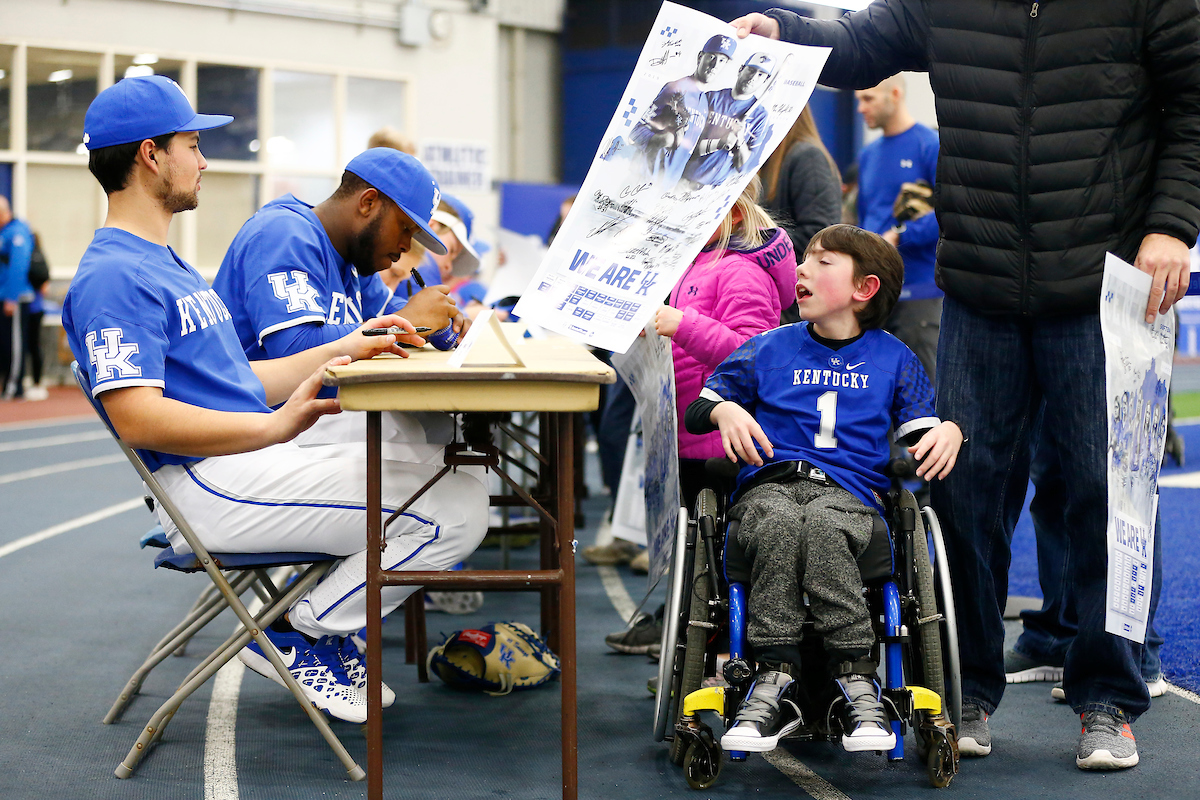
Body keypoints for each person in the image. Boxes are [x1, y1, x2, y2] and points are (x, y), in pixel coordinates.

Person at [731, 1, 1200, 769]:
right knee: (965, 494)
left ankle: (1107, 698)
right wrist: (784, 30)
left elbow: (1192, 103)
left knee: (1105, 495)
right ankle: (965, 690)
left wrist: (1173, 223)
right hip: (981, 289)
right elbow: (860, 41)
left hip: (1105, 286)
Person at [65, 75, 489, 724]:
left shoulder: (163, 261)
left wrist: (355, 344)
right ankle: (305, 632)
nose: (204, 160)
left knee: (452, 469)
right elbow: (135, 416)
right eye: (192, 144)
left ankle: (315, 626)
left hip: (237, 464)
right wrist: (274, 429)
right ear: (151, 155)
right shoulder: (115, 274)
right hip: (206, 484)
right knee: (457, 508)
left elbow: (245, 382)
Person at [683, 224, 961, 753]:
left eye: (822, 262)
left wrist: (950, 429)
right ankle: (774, 677)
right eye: (804, 259)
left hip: (850, 494)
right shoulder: (767, 348)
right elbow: (700, 408)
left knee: (825, 524)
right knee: (784, 521)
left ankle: (857, 678)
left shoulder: (894, 357)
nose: (802, 270)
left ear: (865, 289)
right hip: (771, 486)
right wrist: (723, 407)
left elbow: (923, 435)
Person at [603, 177, 798, 654]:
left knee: (718, 553)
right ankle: (692, 643)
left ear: (732, 215)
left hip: (722, 442)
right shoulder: (699, 265)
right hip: (691, 436)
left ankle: (715, 653)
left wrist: (682, 325)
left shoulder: (740, 272)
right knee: (697, 549)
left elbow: (754, 355)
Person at [212, 148, 466, 464]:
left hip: (307, 420)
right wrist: (404, 320)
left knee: (438, 429)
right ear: (368, 202)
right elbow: (294, 349)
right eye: (404, 228)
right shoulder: (283, 233)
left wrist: (441, 319)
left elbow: (396, 311)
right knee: (424, 445)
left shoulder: (352, 257)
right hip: (252, 429)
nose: (405, 245)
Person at [853, 75, 940, 381]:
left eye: (868, 98)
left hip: (920, 293)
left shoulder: (929, 145)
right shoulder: (868, 154)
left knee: (921, 391)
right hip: (876, 295)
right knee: (877, 391)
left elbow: (949, 212)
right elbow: (866, 218)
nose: (861, 107)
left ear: (895, 94)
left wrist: (901, 235)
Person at [628, 34, 736, 185]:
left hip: (666, 190)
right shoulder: (677, 89)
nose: (715, 65)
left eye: (722, 60)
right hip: (642, 182)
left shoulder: (705, 102)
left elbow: (688, 151)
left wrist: (721, 142)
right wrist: (661, 139)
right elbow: (635, 132)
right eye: (711, 57)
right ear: (700, 57)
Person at [681, 52, 775, 189]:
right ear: (741, 69)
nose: (753, 78)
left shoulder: (760, 116)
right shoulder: (710, 98)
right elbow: (685, 144)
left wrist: (740, 139)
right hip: (683, 179)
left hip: (713, 191)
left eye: (761, 75)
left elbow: (743, 167)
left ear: (765, 81)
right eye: (751, 70)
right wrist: (719, 143)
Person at [758, 106, 841, 261]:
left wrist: (754, 243)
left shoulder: (808, 158)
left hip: (796, 276)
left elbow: (819, 236)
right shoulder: (764, 159)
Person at [0, 196, 35, 399]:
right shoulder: (4, 232)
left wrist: (12, 297)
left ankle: (14, 386)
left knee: (14, 345)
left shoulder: (18, 232)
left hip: (14, 299)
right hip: (3, 296)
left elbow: (18, 267)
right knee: (5, 344)